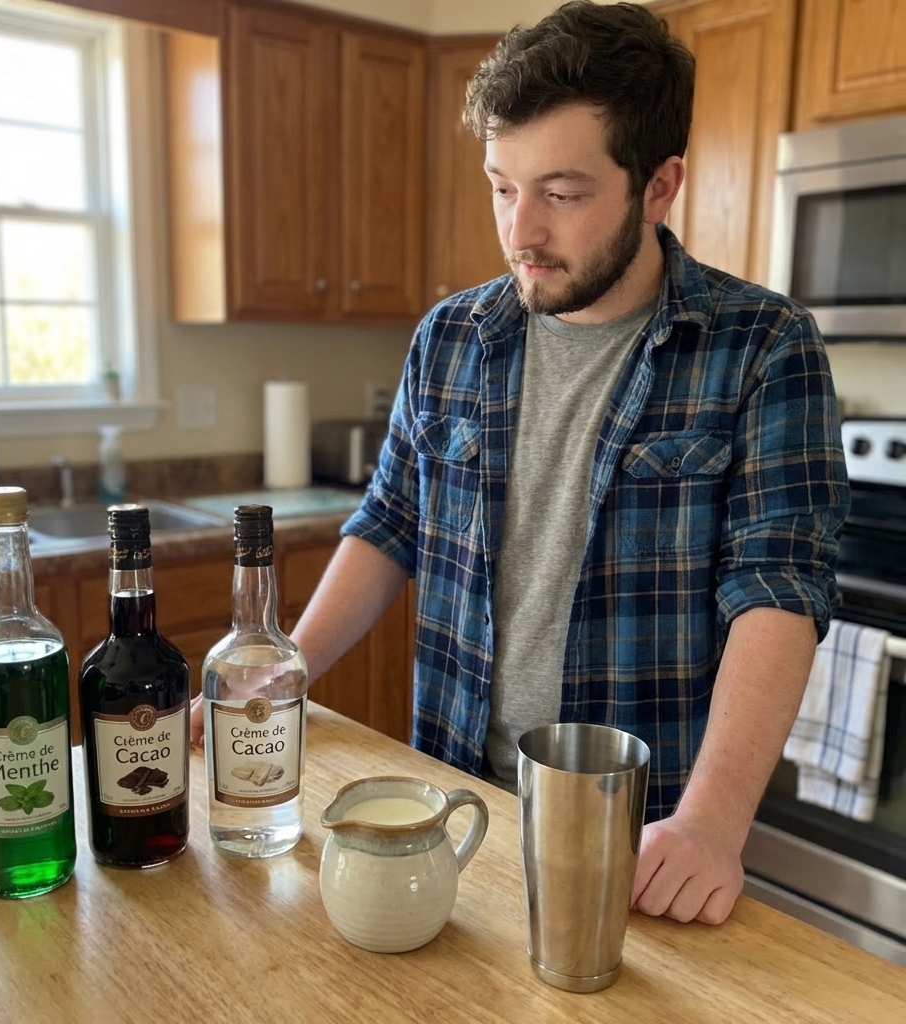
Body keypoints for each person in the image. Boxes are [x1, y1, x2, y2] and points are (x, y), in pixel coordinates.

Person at [192, 1, 850, 926]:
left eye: (563, 193)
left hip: (642, 836)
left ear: (659, 187)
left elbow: (778, 590)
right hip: (453, 802)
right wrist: (282, 672)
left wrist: (710, 823)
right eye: (503, 186)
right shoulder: (454, 336)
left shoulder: (763, 346)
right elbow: (390, 522)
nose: (522, 232)